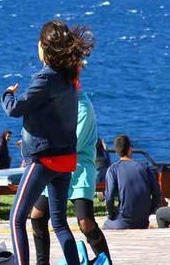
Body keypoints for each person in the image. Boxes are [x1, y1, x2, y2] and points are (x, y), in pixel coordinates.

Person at [1, 19, 94, 265]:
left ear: (46, 48)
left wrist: (7, 94)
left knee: (16, 218)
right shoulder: (69, 80)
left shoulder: (46, 79)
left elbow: (15, 108)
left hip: (44, 160)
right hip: (66, 160)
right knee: (60, 223)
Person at [30, 77, 111, 264]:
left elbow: (72, 144)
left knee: (85, 222)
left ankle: (106, 261)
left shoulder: (83, 107)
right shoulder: (61, 104)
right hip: (58, 166)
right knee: (37, 215)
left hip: (79, 168)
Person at [103, 134, 161, 230]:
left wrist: (111, 214)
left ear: (116, 151)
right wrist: (149, 211)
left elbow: (109, 196)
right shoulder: (144, 167)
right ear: (130, 149)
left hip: (123, 222)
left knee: (105, 225)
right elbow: (157, 193)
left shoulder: (113, 169)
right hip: (143, 221)